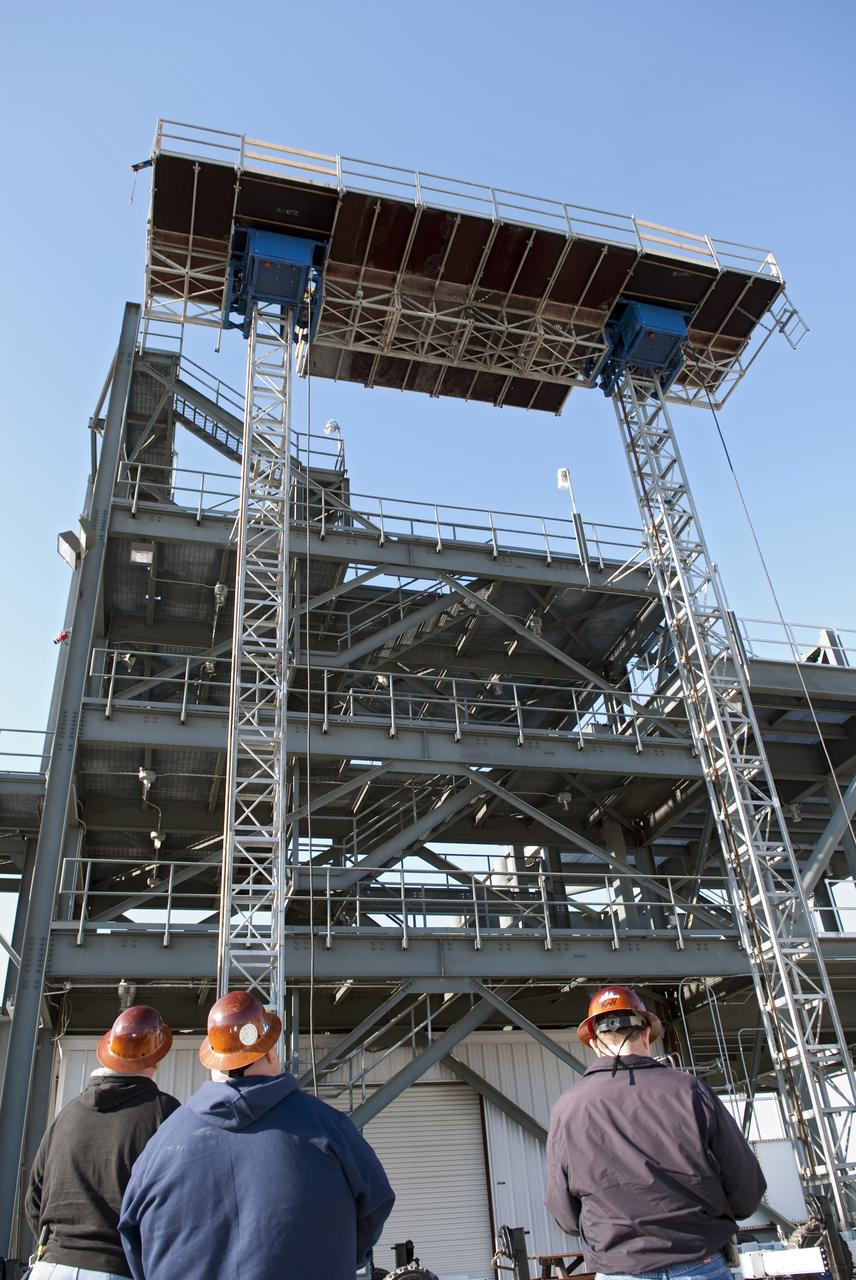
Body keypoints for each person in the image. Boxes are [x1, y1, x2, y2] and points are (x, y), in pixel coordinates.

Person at [119, 990, 395, 1280]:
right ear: (272, 1054)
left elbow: (133, 1237)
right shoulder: (327, 1127)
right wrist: (335, 1256)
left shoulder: (161, 1146)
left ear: (212, 1061)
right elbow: (376, 1203)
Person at [545, 985, 766, 1280]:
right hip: (699, 1264)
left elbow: (565, 1213)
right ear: (647, 1033)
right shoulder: (690, 1091)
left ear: (595, 1044)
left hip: (621, 1270)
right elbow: (746, 1190)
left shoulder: (567, 1108)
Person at [25, 1005, 178, 1280]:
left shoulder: (67, 1114)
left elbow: (34, 1197)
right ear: (156, 1059)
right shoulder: (163, 1113)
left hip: (48, 1267)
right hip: (115, 1268)